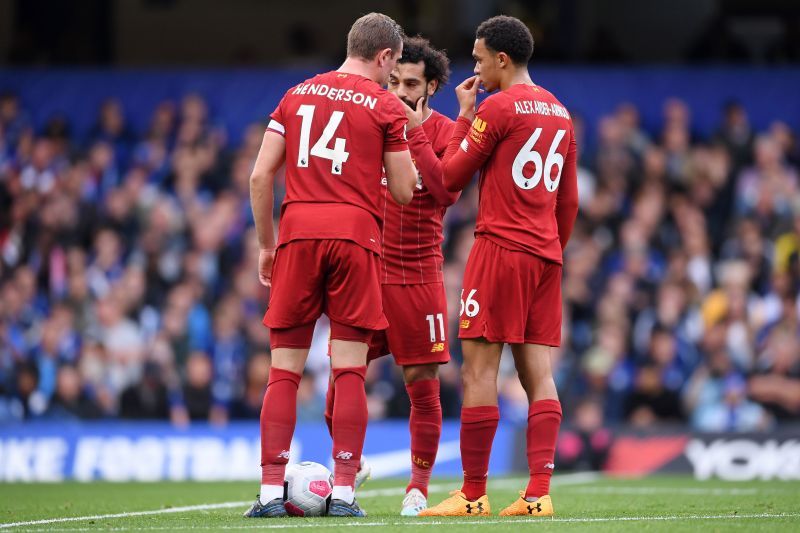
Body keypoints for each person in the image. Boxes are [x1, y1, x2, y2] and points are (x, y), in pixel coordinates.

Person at [243, 13, 417, 518]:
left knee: (283, 373)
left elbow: (259, 177)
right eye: (395, 65)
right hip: (356, 238)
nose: (394, 75)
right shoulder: (387, 106)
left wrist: (266, 246)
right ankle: (343, 492)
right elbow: (405, 192)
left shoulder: (296, 95)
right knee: (348, 372)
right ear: (384, 56)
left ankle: (271, 492)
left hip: (296, 235)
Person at [420, 15, 579, 517]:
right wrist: (550, 246)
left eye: (479, 57)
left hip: (500, 249)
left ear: (502, 60)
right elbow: (568, 202)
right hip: (545, 255)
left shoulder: (498, 108)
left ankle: (471, 495)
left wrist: (465, 114)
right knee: (539, 372)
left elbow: (447, 179)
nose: (476, 66)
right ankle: (538, 494)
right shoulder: (561, 113)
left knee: (479, 372)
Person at [323, 36, 457, 516]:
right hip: (367, 268)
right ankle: (348, 465)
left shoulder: (446, 131)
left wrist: (416, 133)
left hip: (419, 274)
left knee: (422, 384)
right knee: (341, 378)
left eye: (411, 84)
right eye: (395, 80)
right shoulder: (367, 119)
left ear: (432, 87)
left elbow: (445, 191)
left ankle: (417, 488)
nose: (399, 91)